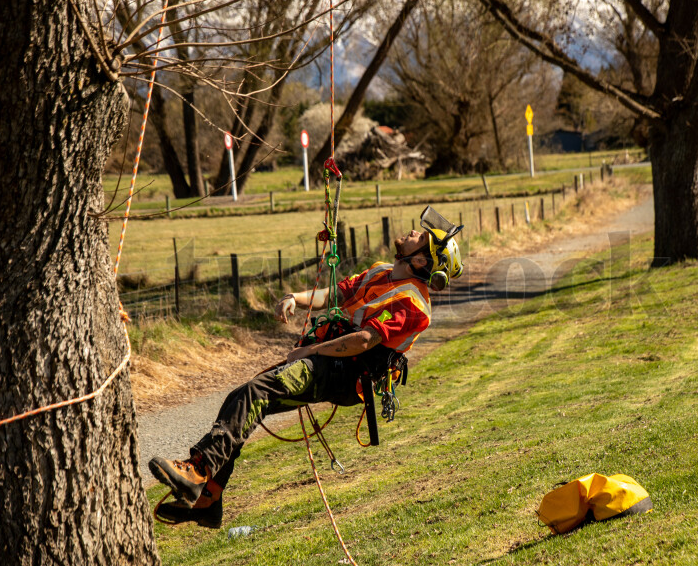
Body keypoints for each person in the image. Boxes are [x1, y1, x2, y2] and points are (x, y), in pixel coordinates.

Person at [149, 206, 464, 528]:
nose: (413, 232)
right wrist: (295, 298)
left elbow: (364, 341)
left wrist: (310, 351)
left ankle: (198, 469)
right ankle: (208, 498)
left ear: (422, 261)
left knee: (258, 391)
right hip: (328, 360)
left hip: (348, 374)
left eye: (420, 236)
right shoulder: (380, 271)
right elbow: (335, 293)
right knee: (241, 398)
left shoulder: (414, 304)